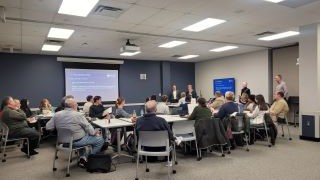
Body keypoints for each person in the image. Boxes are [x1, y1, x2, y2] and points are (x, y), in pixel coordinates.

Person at [46, 97, 104, 166]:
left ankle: (82, 156)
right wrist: (94, 133)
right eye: (76, 104)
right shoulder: (78, 115)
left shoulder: (57, 114)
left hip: (62, 142)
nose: (77, 105)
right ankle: (86, 158)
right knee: (100, 139)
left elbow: (48, 127)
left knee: (82, 135)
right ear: (73, 106)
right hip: (76, 142)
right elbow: (88, 128)